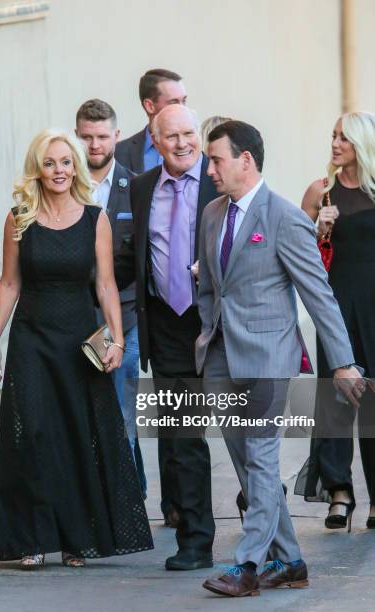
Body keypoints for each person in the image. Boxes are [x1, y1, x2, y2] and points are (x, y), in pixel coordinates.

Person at [197, 120, 363, 597]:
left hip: (270, 357)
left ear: (245, 160)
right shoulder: (211, 214)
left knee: (263, 459)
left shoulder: (285, 217)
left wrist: (343, 362)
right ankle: (290, 560)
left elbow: (319, 295)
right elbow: (210, 287)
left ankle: (247, 564)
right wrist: (207, 337)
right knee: (249, 467)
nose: (210, 170)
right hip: (221, 358)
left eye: (216, 159)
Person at [0, 128, 153, 569]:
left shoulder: (95, 218)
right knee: (34, 434)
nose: (59, 171)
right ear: (37, 169)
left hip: (79, 342)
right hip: (31, 340)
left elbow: (105, 283)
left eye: (65, 162)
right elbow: (9, 283)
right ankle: (34, 538)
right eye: (49, 163)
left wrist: (115, 337)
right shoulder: (19, 217)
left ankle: (80, 538)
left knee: (81, 434)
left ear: (74, 167)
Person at [115, 104, 218, 571]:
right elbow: (129, 257)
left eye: (188, 134)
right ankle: (195, 542)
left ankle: (267, 523)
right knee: (182, 440)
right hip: (170, 328)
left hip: (220, 323)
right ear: (153, 142)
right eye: (170, 136)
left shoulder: (221, 181)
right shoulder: (140, 189)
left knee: (250, 437)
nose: (182, 143)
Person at [297, 111, 375, 530]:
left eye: (343, 137)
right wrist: (317, 229)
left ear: (361, 143)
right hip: (336, 307)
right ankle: (339, 492)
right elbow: (294, 252)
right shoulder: (321, 192)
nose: (335, 143)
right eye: (332, 136)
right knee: (335, 396)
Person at [75, 98, 147, 498]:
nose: (94, 145)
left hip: (126, 317)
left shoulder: (137, 187)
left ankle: (126, 504)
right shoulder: (64, 185)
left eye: (102, 136)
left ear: (117, 136)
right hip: (75, 315)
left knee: (121, 414)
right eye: (86, 137)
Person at [115, 68, 187, 173]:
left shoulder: (193, 147)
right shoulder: (120, 152)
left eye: (184, 101)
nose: (182, 109)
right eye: (173, 102)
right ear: (149, 106)